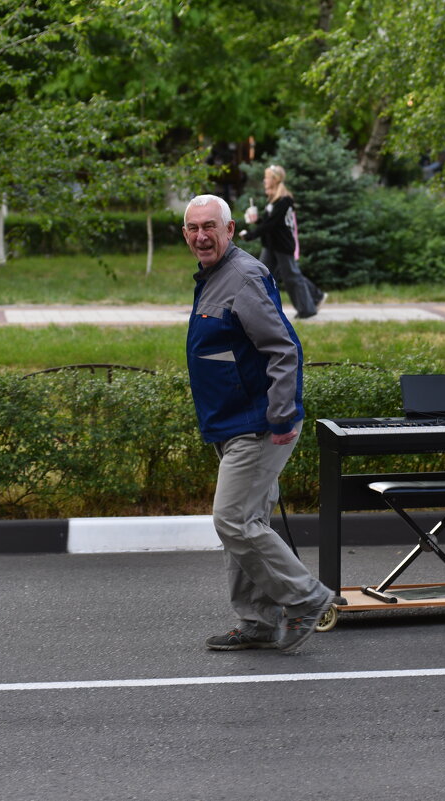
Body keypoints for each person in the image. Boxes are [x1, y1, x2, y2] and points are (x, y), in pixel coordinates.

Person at [182, 194, 334, 653]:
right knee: (247, 522)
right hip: (231, 422)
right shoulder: (214, 276)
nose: (202, 235)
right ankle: (259, 621)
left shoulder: (243, 276)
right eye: (193, 228)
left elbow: (283, 349)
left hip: (259, 423)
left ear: (230, 230)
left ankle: (306, 598)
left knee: (232, 520)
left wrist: (282, 413)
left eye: (211, 226)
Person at [240, 165, 325, 319]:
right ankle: (262, 311)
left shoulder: (284, 200)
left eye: (266, 178)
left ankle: (307, 309)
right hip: (271, 245)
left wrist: (251, 235)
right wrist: (257, 220)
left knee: (292, 276)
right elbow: (269, 223)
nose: (264, 180)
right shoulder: (273, 200)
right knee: (263, 274)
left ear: (274, 179)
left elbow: (272, 224)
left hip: (283, 245)